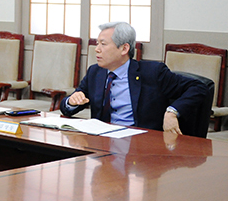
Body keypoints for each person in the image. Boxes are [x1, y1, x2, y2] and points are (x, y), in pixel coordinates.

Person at [60, 21, 208, 135]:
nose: (97, 49)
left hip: (142, 145)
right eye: (97, 43)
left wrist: (172, 112)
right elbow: (67, 109)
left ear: (124, 49)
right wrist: (72, 102)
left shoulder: (153, 72)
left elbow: (200, 87)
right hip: (102, 143)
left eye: (103, 44)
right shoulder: (95, 72)